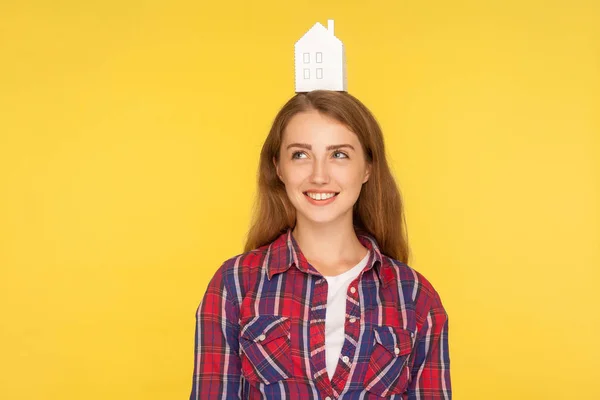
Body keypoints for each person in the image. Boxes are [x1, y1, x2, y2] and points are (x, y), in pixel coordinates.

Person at [189, 90, 451, 399]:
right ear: (278, 167)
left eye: (338, 154)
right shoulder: (235, 284)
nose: (319, 175)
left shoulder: (416, 298)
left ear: (367, 167)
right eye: (300, 154)